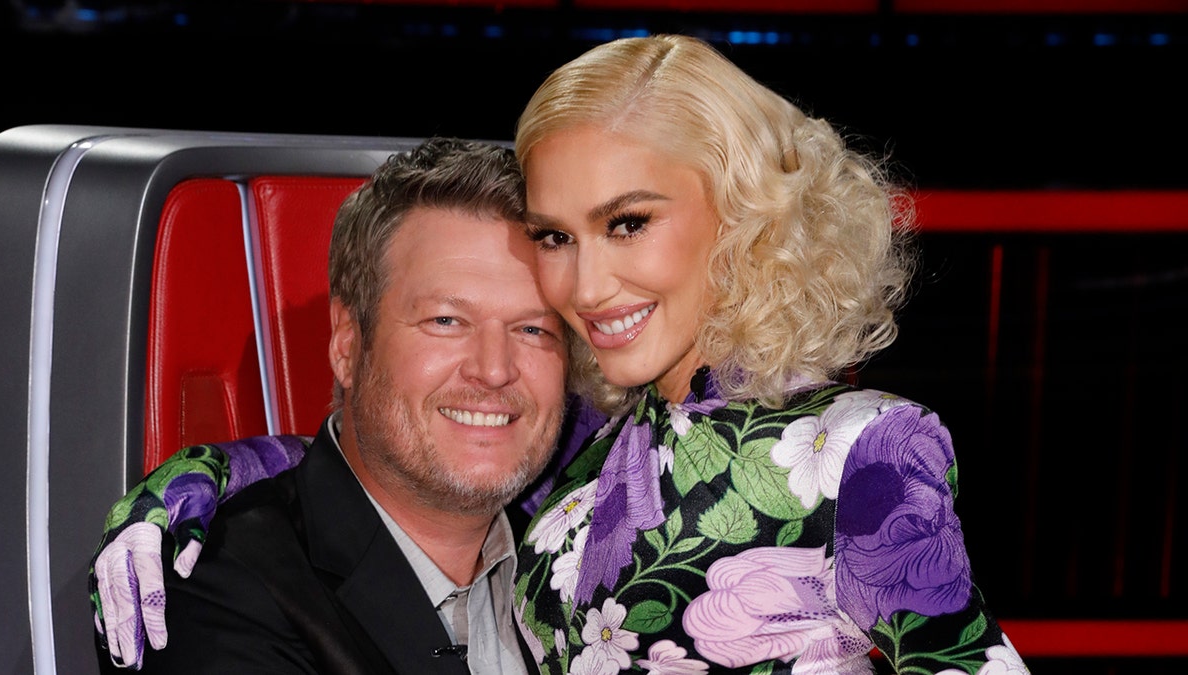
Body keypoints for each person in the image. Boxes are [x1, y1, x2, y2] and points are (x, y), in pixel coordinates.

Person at [92, 35, 1029, 675]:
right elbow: (422, 452)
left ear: (744, 217)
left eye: (628, 222)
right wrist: (208, 471)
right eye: (555, 235)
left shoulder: (867, 451)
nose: (584, 285)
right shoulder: (591, 450)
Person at [92, 137, 570, 673]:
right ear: (347, 343)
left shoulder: (594, 556)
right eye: (445, 321)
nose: (494, 367)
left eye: (534, 329)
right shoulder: (213, 587)